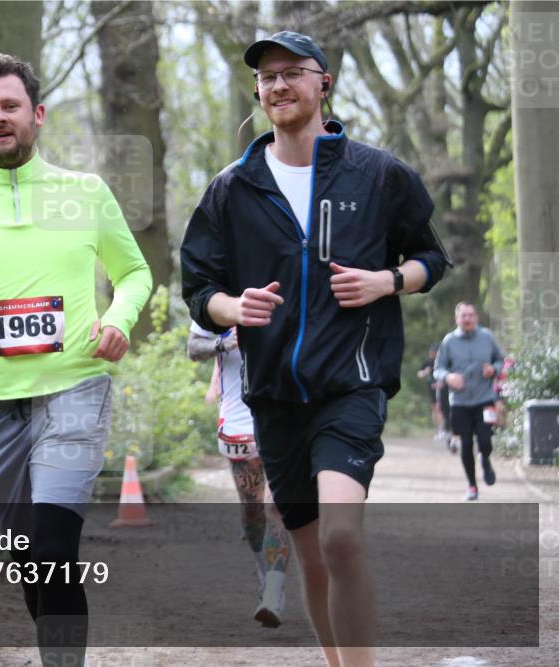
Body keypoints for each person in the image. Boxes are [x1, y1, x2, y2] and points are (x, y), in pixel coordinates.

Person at [180, 31, 450, 667]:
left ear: (322, 83)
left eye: (293, 72)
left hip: (351, 384)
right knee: (309, 553)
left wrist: (387, 281)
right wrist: (232, 309)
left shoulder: (378, 174)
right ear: (257, 91)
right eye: (268, 76)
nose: (278, 85)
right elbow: (199, 288)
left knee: (342, 537)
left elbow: (433, 257)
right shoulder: (231, 188)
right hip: (273, 393)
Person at [0, 54, 152, 666]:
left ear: (37, 115)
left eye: (9, 106)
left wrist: (117, 321)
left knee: (54, 551)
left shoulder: (84, 193)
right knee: (31, 562)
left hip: (73, 393)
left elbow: (134, 273)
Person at [188, 323, 291, 628]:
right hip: (238, 418)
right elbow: (194, 348)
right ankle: (264, 573)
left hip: (285, 414)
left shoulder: (291, 282)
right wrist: (223, 344)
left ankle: (274, 592)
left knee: (276, 507)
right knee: (253, 511)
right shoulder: (219, 292)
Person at [433, 302, 505, 501]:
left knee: (485, 441)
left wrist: (494, 369)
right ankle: (472, 486)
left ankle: (486, 460)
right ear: (457, 319)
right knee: (465, 444)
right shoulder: (448, 341)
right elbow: (438, 369)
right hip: (460, 402)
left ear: (477, 317)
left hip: (485, 399)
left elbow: (501, 360)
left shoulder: (487, 337)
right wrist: (448, 377)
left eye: (470, 315)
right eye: (463, 316)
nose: (467, 319)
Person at [417, 344, 450, 446]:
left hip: (445, 388)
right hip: (432, 388)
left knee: (444, 408)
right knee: (435, 408)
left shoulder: (444, 361)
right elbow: (419, 374)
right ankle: (439, 431)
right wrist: (425, 372)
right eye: (432, 353)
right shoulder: (428, 362)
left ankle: (446, 430)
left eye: (435, 353)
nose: (433, 355)